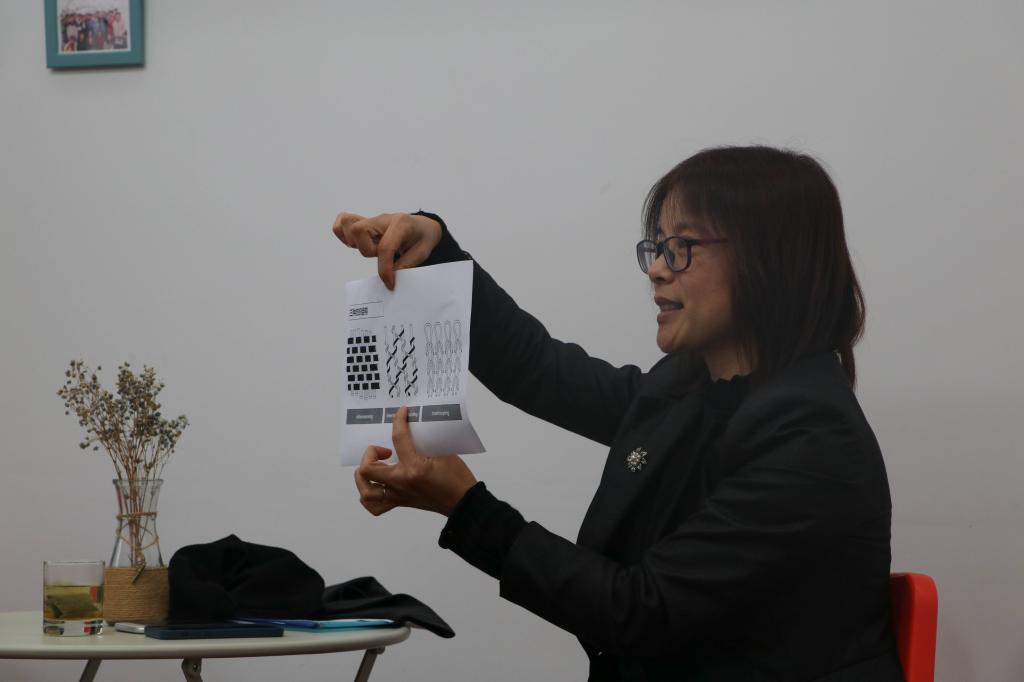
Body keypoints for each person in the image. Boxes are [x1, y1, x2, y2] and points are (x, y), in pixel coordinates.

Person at [332, 145, 904, 681]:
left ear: (771, 261)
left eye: (682, 246)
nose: (657, 269)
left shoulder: (811, 440)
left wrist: (467, 508)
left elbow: (642, 612)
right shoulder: (689, 389)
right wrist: (435, 251)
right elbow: (536, 370)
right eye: (658, 247)